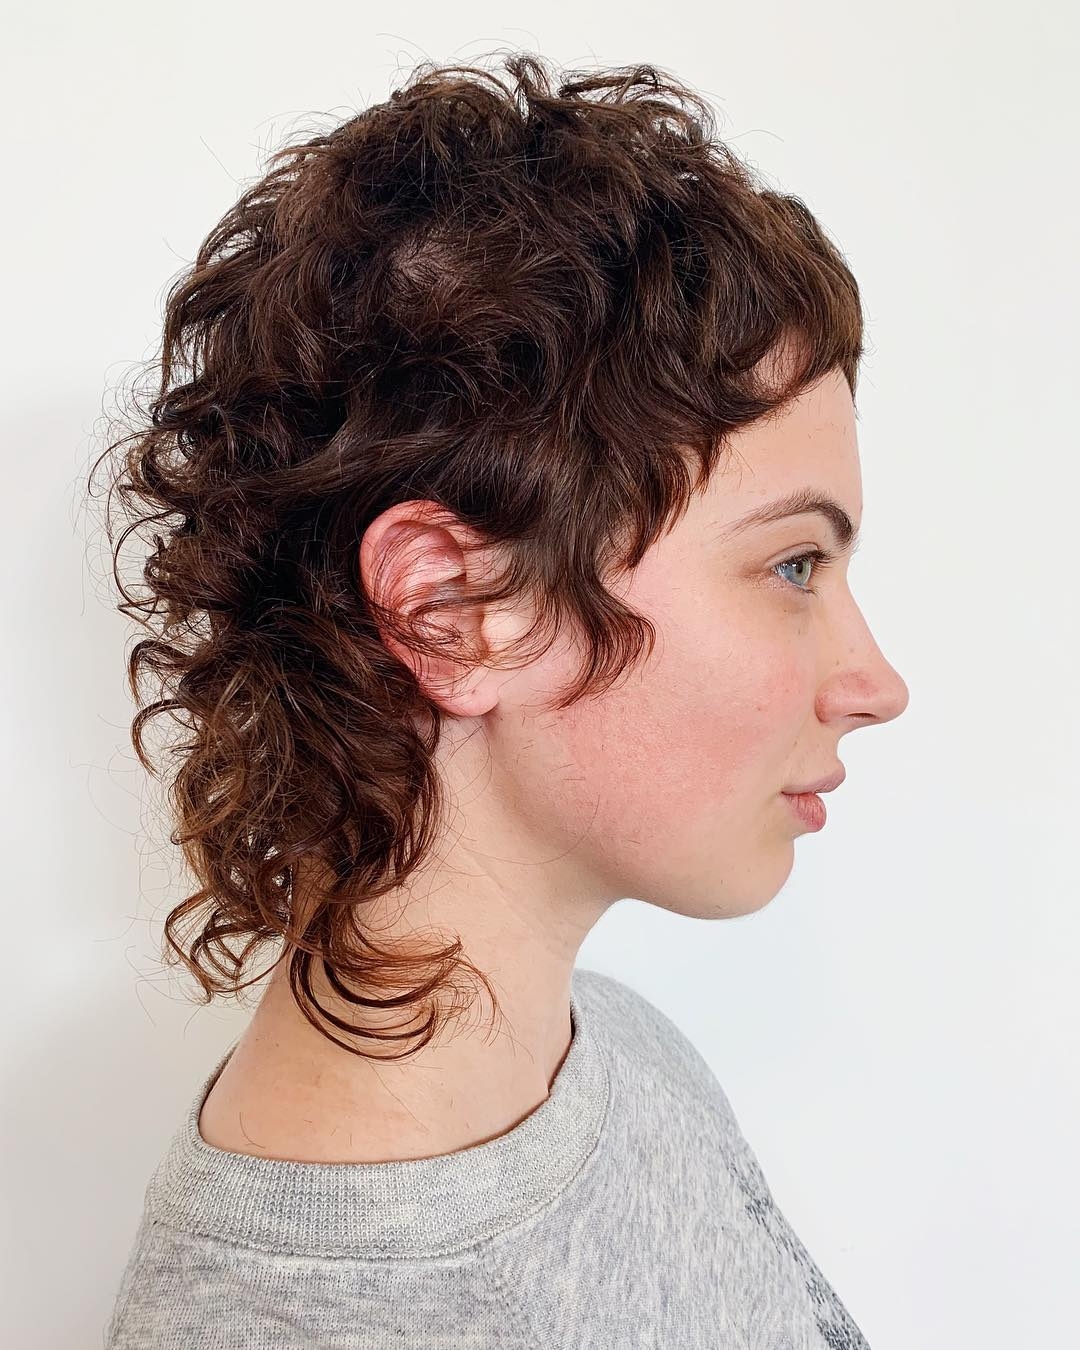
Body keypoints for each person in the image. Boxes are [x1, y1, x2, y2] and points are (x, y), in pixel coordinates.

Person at [97, 50, 908, 1349]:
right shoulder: (311, 1323)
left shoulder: (618, 1054)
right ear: (452, 609)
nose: (877, 684)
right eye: (793, 564)